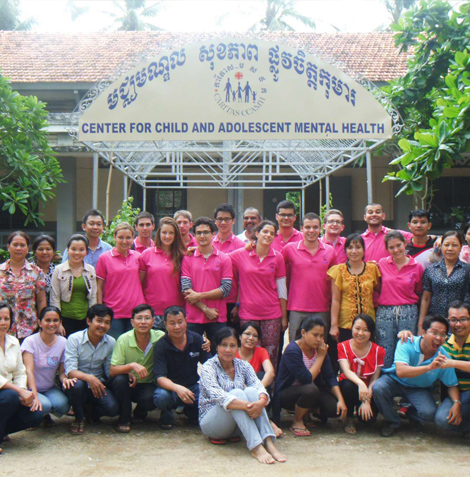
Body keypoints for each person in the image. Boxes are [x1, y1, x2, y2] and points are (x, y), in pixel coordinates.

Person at [199, 327, 286, 464]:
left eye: (232, 345)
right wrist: (249, 406)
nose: (228, 350)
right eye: (224, 345)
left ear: (237, 347)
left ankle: (268, 442)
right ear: (216, 346)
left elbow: (258, 386)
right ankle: (256, 447)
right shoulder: (208, 367)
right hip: (213, 425)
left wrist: (261, 401)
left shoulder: (243, 365)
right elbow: (219, 396)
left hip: (238, 427)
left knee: (252, 391)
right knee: (237, 393)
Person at [373, 314, 460, 437]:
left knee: (430, 413)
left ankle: (410, 413)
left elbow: (452, 384)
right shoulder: (407, 342)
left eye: (442, 334)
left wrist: (456, 402)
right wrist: (429, 367)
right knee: (378, 388)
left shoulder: (444, 356)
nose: (438, 338)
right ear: (423, 332)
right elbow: (401, 371)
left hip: (418, 388)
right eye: (434, 332)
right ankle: (391, 421)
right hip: (395, 380)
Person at [273, 316, 347, 437]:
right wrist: (320, 357)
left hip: (312, 391)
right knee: (310, 389)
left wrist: (341, 400)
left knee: (334, 409)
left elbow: (330, 377)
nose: (319, 339)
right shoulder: (293, 350)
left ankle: (306, 412)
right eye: (315, 335)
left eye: (321, 336)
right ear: (303, 333)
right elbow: (306, 379)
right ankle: (297, 420)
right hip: (287, 393)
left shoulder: (320, 349)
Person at [230, 220, 287, 367]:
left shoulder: (278, 257)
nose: (268, 235)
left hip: (272, 314)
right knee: (249, 353)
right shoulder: (240, 254)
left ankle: (269, 382)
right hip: (248, 313)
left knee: (271, 354)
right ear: (257, 233)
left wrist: (284, 317)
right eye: (265, 232)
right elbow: (218, 256)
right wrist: (196, 249)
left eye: (272, 233)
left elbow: (282, 289)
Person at [153, 305, 211, 429]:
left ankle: (191, 411)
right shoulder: (161, 345)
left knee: (210, 393)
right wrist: (177, 388)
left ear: (186, 321)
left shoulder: (196, 339)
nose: (177, 327)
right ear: (165, 324)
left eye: (180, 322)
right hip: (170, 388)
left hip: (192, 386)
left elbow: (210, 365)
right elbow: (160, 378)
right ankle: (166, 413)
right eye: (172, 323)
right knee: (161, 397)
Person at [64, 304, 119, 435]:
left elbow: (109, 371)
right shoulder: (74, 339)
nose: (102, 325)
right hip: (77, 385)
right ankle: (79, 418)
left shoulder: (111, 342)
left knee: (113, 409)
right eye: (99, 321)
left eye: (107, 322)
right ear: (89, 321)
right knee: (77, 384)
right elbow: (70, 371)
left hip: (97, 386)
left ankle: (89, 411)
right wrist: (89, 378)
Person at [109, 304, 164, 433]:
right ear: (132, 322)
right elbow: (113, 370)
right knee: (119, 380)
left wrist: (204, 342)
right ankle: (124, 419)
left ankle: (140, 412)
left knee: (152, 399)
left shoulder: (160, 337)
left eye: (147, 318)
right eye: (139, 318)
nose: (143, 322)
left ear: (153, 321)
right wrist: (130, 366)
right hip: (127, 384)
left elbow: (179, 339)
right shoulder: (123, 339)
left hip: (148, 383)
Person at [283, 213, 337, 343]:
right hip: (297, 307)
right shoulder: (289, 249)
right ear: (301, 228)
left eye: (315, 227)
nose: (311, 231)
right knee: (295, 346)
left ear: (320, 228)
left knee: (319, 345)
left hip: (322, 307)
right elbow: (278, 269)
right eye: (308, 227)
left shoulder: (330, 251)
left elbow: (335, 281)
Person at [0, 301, 44, 455]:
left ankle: (2, 431)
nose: (3, 322)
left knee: (36, 415)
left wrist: (23, 392)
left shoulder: (13, 341)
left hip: (9, 393)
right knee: (10, 397)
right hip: (6, 393)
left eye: (6, 319)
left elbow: (20, 372)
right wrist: (18, 391)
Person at [181, 217, 232, 345]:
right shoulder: (188, 258)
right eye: (199, 233)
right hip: (193, 317)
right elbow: (186, 289)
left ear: (213, 234)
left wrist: (199, 295)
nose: (202, 236)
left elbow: (225, 289)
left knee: (218, 354)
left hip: (217, 316)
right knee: (192, 354)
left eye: (206, 232)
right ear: (194, 235)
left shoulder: (224, 258)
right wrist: (205, 309)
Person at [376, 231, 424, 368]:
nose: (396, 250)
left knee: (406, 347)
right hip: (385, 312)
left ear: (405, 244)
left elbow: (419, 291)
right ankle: (384, 378)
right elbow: (378, 285)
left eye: (398, 245)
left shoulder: (417, 266)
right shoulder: (382, 264)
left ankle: (405, 377)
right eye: (391, 247)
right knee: (384, 348)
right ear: (387, 249)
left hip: (408, 312)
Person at [21, 306, 76, 426]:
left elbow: (62, 372)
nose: (51, 324)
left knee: (63, 405)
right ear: (40, 322)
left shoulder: (63, 342)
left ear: (60, 322)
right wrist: (34, 395)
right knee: (44, 405)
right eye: (47, 320)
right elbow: (28, 371)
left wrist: (65, 380)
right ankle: (31, 417)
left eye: (55, 320)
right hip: (30, 388)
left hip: (49, 388)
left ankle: (42, 414)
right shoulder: (30, 342)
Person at [337, 314, 385, 434]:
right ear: (352, 328)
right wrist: (360, 384)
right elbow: (346, 371)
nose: (360, 333)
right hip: (350, 385)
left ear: (371, 332)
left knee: (368, 420)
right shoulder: (342, 346)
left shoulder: (378, 351)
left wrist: (366, 400)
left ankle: (361, 409)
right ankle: (349, 419)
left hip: (368, 389)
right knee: (348, 386)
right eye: (357, 328)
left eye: (365, 330)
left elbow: (375, 378)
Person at [328, 234, 381, 343]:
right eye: (350, 248)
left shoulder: (372, 269)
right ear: (345, 250)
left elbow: (381, 291)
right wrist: (334, 325)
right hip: (346, 323)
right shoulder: (338, 270)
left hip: (368, 323)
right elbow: (335, 300)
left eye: (358, 247)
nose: (354, 251)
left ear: (364, 250)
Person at [96, 222, 145, 339]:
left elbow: (141, 281)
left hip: (136, 311)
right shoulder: (104, 258)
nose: (124, 241)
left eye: (128, 238)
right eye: (120, 237)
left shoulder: (138, 257)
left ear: (133, 238)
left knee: (134, 345)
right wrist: (100, 309)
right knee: (115, 345)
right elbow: (99, 286)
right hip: (114, 312)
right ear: (114, 237)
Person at [236, 321, 283, 437]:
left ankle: (264, 421)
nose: (251, 338)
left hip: (257, 393)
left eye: (255, 336)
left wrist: (256, 390)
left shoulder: (261, 351)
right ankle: (268, 422)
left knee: (261, 375)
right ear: (240, 336)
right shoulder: (233, 352)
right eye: (247, 334)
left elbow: (270, 372)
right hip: (238, 392)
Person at [139, 217, 186, 328]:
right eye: (164, 232)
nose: (167, 236)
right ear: (159, 233)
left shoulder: (182, 256)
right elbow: (139, 283)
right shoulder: (147, 255)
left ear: (176, 235)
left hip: (176, 311)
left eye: (171, 233)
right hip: (152, 311)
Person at [419, 231, 470, 333]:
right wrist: (421, 325)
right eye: (446, 245)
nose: (450, 248)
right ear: (441, 247)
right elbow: (426, 298)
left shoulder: (467, 270)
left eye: (454, 245)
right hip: (436, 322)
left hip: (459, 323)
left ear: (461, 247)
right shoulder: (431, 270)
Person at [0, 231, 47, 341]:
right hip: (3, 328)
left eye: (22, 245)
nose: (18, 248)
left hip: (29, 330)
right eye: (15, 245)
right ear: (8, 247)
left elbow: (41, 301)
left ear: (27, 249)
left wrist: (43, 324)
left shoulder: (36, 272)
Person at [51, 234, 98, 336]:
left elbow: (93, 297)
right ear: (68, 250)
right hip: (65, 319)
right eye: (73, 249)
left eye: (81, 249)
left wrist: (92, 319)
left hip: (85, 319)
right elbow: (54, 297)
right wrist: (58, 322)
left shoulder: (90, 270)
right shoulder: (59, 270)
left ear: (86, 252)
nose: (77, 253)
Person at [435, 300, 470, 435]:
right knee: (442, 420)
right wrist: (457, 402)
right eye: (453, 320)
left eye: (463, 319)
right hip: (459, 393)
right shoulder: (444, 345)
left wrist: (453, 363)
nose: (458, 324)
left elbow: (451, 365)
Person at [212, 203, 245, 329]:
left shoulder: (240, 245)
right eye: (220, 219)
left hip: (232, 301)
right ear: (215, 221)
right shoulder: (209, 244)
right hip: (213, 300)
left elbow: (243, 279)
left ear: (233, 221)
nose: (223, 222)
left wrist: (238, 304)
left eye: (227, 219)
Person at [31, 235, 58, 305]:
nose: (44, 252)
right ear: (34, 252)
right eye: (40, 249)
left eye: (48, 249)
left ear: (53, 251)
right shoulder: (28, 271)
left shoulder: (58, 271)